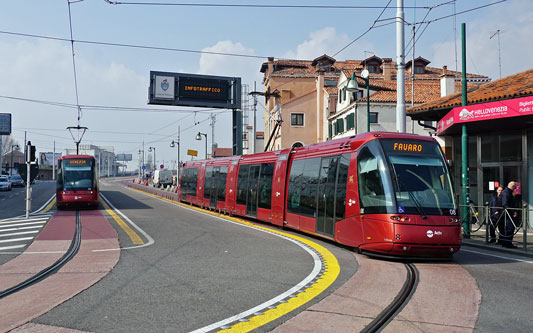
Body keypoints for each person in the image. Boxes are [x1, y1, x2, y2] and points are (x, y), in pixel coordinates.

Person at [500, 181, 518, 248]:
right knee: (509, 228)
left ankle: (505, 243)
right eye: (515, 187)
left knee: (508, 228)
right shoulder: (507, 192)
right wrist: (513, 211)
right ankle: (507, 243)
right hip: (508, 214)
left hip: (508, 213)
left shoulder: (507, 192)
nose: (515, 188)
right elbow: (505, 204)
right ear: (512, 186)